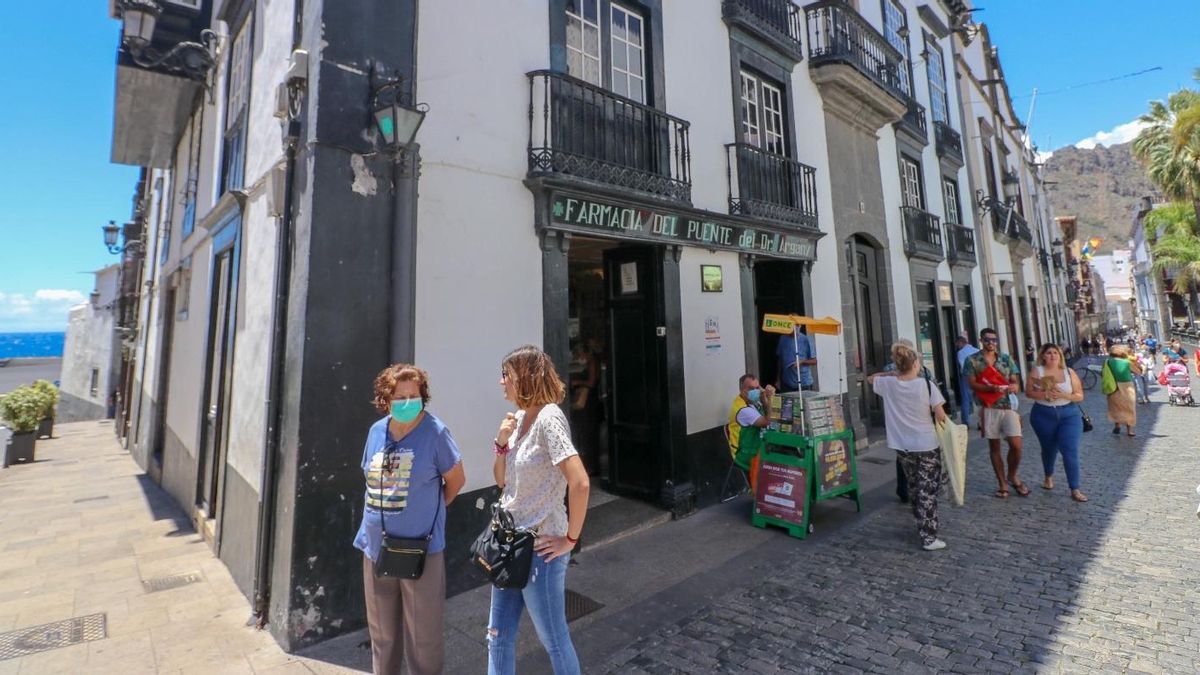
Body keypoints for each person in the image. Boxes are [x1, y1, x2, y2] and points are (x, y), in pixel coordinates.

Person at [353, 363, 466, 675]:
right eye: (399, 397)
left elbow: (455, 480)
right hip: (375, 548)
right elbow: (368, 476)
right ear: (385, 399)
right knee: (382, 634)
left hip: (420, 551)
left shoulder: (435, 433)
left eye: (413, 396)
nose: (407, 403)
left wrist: (428, 509)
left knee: (423, 637)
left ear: (422, 397)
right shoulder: (376, 432)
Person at [489, 345, 589, 675]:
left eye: (506, 375)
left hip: (540, 549)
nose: (501, 382)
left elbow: (580, 483)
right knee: (497, 637)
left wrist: (570, 539)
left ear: (524, 378)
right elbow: (502, 481)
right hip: (509, 544)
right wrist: (501, 443)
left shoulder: (549, 419)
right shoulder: (517, 419)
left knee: (554, 640)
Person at [868, 341, 949, 551]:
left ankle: (920, 518)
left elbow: (871, 378)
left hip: (902, 445)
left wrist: (892, 374)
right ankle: (929, 537)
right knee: (928, 489)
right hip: (926, 443)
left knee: (914, 486)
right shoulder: (927, 385)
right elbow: (941, 416)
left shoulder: (889, 384)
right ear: (916, 364)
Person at [965, 327, 1028, 499]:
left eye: (994, 340)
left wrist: (1014, 386)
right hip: (987, 406)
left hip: (1008, 406)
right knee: (995, 447)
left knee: (1016, 445)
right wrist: (990, 388)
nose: (991, 343)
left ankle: (1012, 475)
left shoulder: (1006, 359)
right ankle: (1002, 484)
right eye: (987, 340)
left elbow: (1015, 381)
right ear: (981, 341)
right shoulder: (972, 360)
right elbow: (971, 384)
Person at [1025, 344, 1088, 503]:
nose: (1053, 355)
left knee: (1070, 450)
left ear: (1060, 355)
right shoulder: (1037, 371)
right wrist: (1044, 395)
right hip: (1043, 415)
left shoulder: (1069, 372)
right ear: (1043, 356)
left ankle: (1075, 488)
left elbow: (1080, 396)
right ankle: (1048, 476)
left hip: (1069, 415)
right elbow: (1029, 392)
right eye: (1049, 353)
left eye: (1055, 352)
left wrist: (1065, 394)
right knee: (1049, 449)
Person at [884, 339, 934, 504]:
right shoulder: (923, 371)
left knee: (902, 458)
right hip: (921, 424)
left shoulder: (889, 372)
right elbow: (934, 395)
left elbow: (874, 380)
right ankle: (920, 491)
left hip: (900, 425)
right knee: (921, 461)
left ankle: (905, 489)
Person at [726, 374, 774, 461]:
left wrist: (766, 396)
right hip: (744, 454)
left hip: (754, 445)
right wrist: (769, 399)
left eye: (757, 388)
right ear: (742, 389)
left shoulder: (749, 400)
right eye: (751, 388)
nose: (755, 391)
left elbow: (768, 412)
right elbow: (767, 423)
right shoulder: (743, 410)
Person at [1104, 344, 1142, 437]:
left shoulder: (1108, 361)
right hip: (1127, 386)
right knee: (1129, 408)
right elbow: (1138, 372)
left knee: (1115, 407)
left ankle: (1117, 425)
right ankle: (1130, 430)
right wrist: (1138, 364)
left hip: (1113, 385)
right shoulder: (1127, 362)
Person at [775, 327, 816, 393]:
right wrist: (778, 379)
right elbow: (780, 360)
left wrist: (801, 362)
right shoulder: (782, 339)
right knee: (788, 403)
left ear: (800, 326)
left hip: (804, 382)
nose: (795, 327)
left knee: (803, 403)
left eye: (797, 325)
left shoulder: (806, 339)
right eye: (792, 325)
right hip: (787, 382)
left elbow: (814, 361)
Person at [955, 335, 981, 425]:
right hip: (979, 376)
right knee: (979, 400)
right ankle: (981, 422)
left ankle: (965, 422)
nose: (957, 347)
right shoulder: (977, 350)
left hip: (967, 377)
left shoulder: (961, 353)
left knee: (965, 399)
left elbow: (963, 366)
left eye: (957, 344)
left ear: (961, 343)